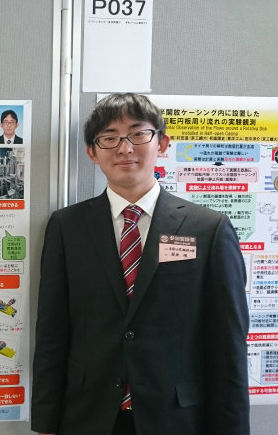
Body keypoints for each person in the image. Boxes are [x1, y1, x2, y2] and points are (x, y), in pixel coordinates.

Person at [31, 93, 249, 435]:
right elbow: (51, 333)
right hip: (87, 416)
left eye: (137, 133)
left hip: (177, 418)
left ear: (161, 143)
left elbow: (228, 344)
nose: (124, 147)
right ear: (92, 152)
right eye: (109, 138)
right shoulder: (67, 227)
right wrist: (45, 424)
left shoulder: (208, 229)